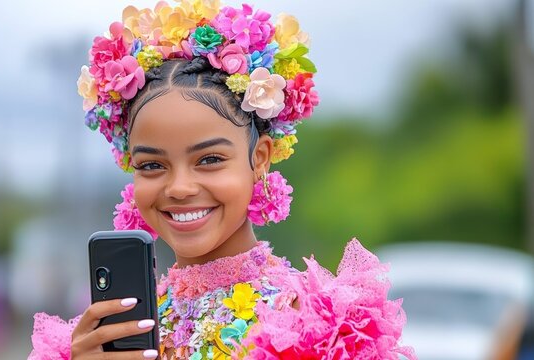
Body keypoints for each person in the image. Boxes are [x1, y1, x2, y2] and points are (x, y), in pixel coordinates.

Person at [29, 1, 416, 359]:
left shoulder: (314, 325)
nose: (179, 187)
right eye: (151, 165)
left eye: (210, 159)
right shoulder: (108, 336)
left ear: (259, 159)